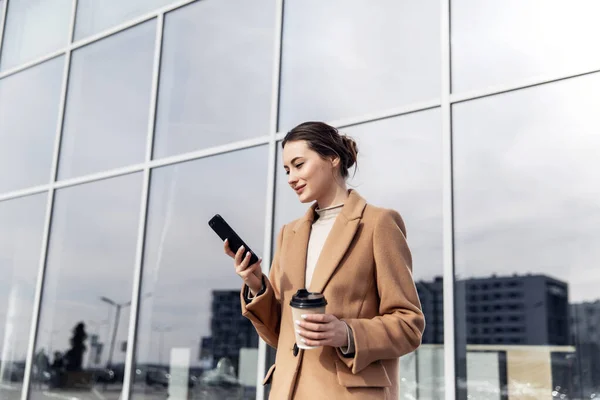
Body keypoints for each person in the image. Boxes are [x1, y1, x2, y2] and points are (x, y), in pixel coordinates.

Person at [224, 121, 425, 399]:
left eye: (299, 164)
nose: (291, 178)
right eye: (286, 170)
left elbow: (409, 325)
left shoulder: (378, 224)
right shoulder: (289, 234)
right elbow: (279, 335)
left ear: (333, 159)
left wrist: (346, 333)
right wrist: (256, 285)